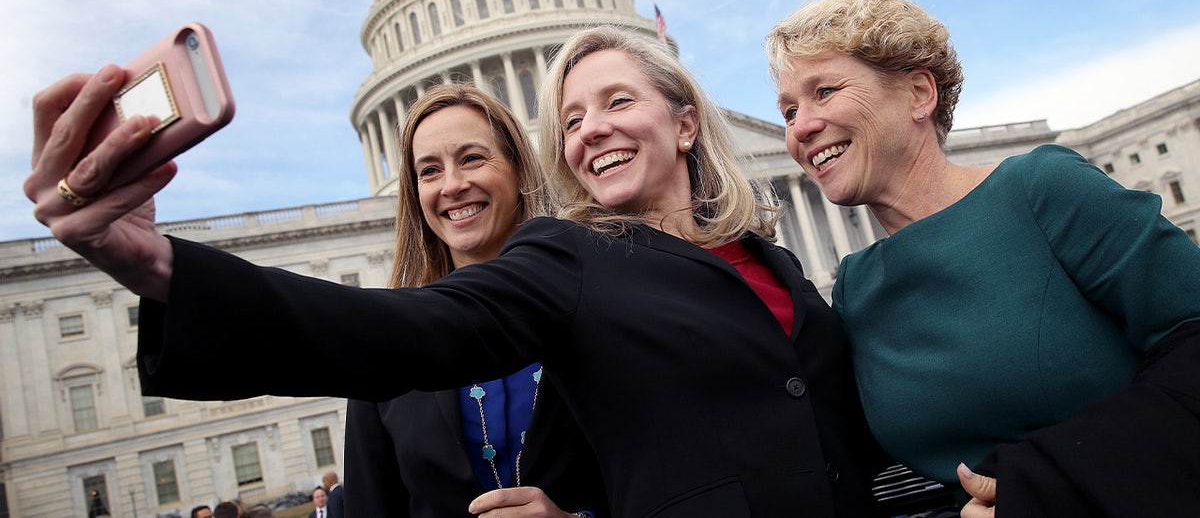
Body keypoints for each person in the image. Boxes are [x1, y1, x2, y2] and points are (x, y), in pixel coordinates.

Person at [26, 26, 888, 517]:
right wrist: (154, 262)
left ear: (687, 123)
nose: (591, 127)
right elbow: (399, 331)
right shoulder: (567, 259)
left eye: (617, 100)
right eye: (572, 116)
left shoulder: (770, 260)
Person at [765, 0, 1200, 516]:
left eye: (825, 91)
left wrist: (1045, 485)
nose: (800, 128)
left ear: (920, 94)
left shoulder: (1042, 189)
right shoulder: (856, 284)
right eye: (788, 111)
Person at [342, 85, 607, 516]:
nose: (453, 185)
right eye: (429, 171)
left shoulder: (603, 311)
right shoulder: (388, 349)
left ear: (520, 170)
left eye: (471, 158)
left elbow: (671, 477)